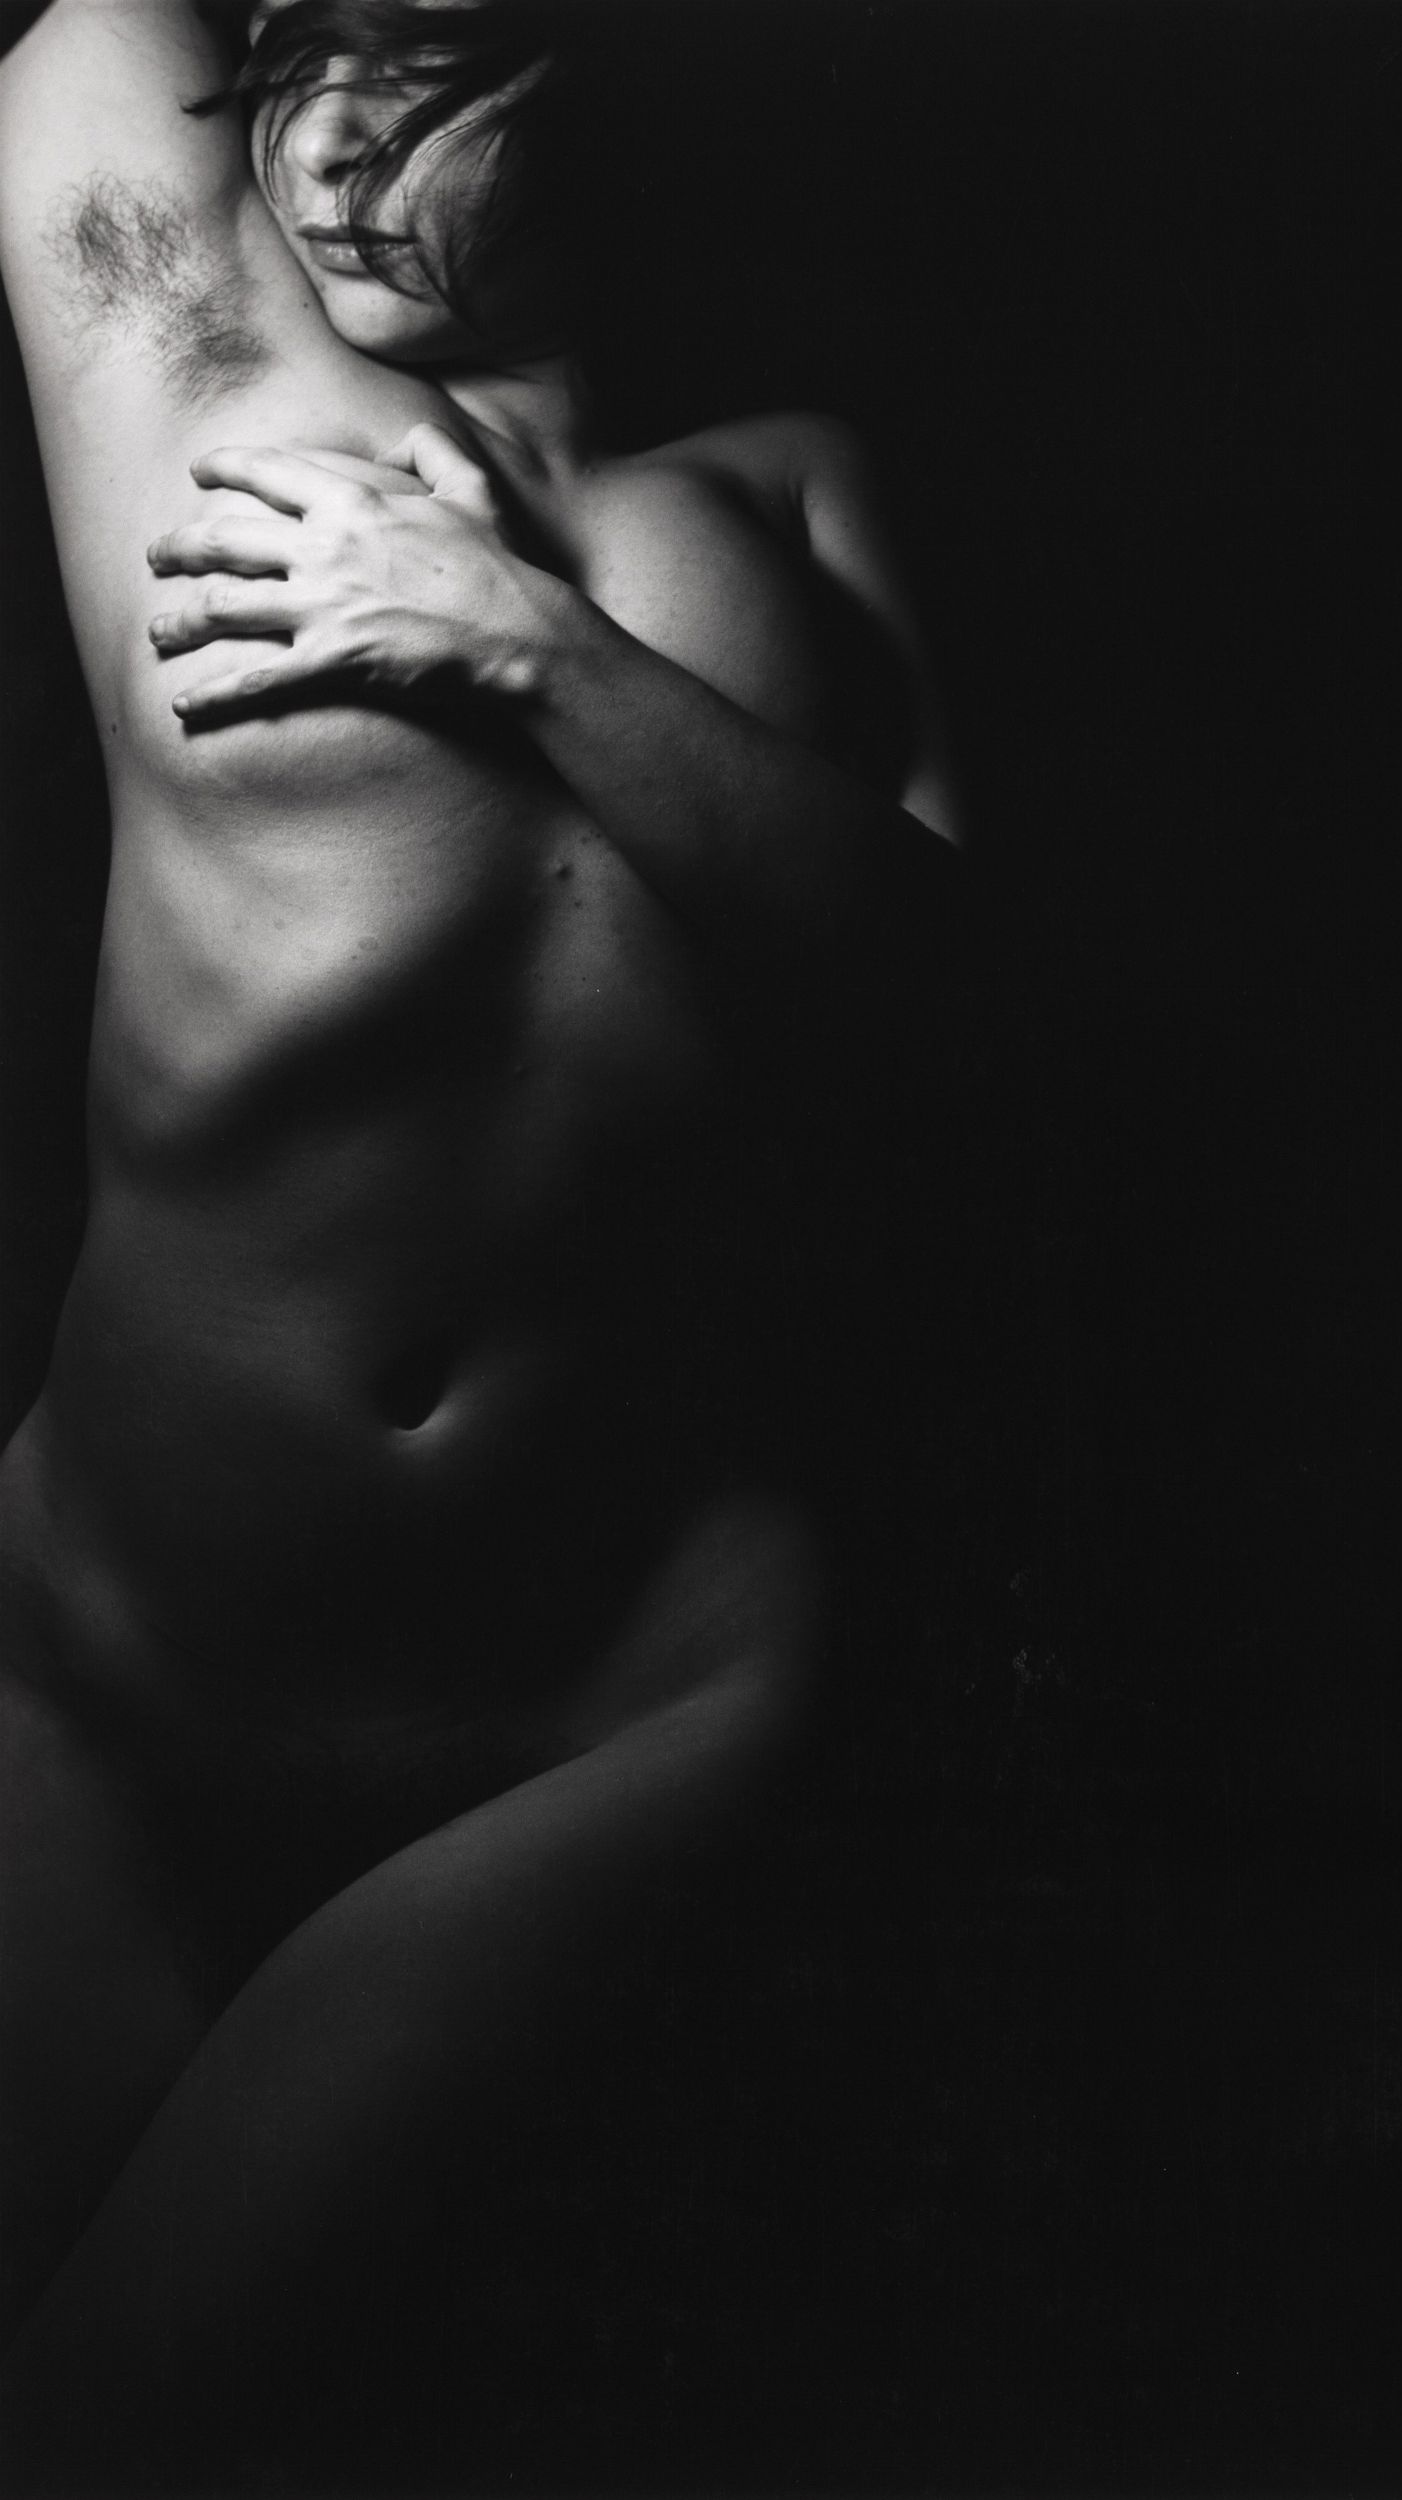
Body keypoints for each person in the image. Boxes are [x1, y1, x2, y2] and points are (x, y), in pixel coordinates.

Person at [0, 0, 964, 2473]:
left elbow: (959, 1030)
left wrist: (535, 644)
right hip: (105, 1686)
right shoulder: (187, 349)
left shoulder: (797, 497)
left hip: (599, 1715)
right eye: (294, 54)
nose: (330, 142)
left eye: (425, 68)